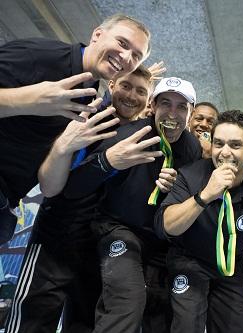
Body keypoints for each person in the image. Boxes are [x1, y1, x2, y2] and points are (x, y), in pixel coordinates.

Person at [61, 77, 201, 333]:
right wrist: (109, 161)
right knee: (127, 301)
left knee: (161, 312)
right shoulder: (128, 135)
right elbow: (73, 186)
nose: (172, 113)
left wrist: (177, 190)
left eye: (182, 107)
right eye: (166, 104)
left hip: (160, 241)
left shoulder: (191, 147)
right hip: (118, 230)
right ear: (152, 106)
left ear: (191, 114)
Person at [0, 13, 151, 243]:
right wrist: (28, 99)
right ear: (97, 35)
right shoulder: (41, 55)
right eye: (122, 43)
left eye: (137, 56)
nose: (127, 57)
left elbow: (49, 187)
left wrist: (62, 148)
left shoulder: (90, 101)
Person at [155, 110, 243, 333]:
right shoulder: (190, 176)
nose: (224, 153)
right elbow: (167, 226)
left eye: (235, 145)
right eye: (218, 143)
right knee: (187, 325)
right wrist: (205, 196)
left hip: (231, 264)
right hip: (189, 261)